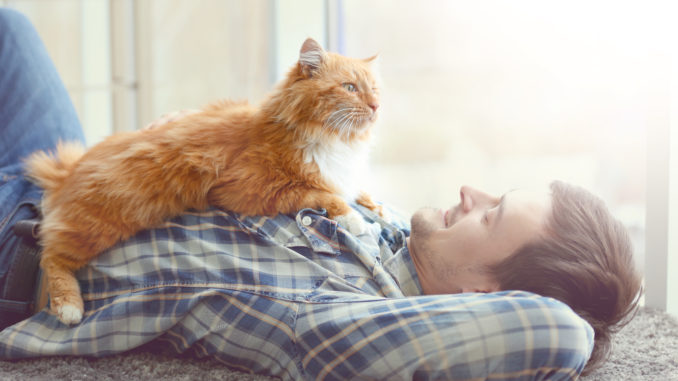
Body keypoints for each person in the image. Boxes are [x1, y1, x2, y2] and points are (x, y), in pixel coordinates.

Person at [0, 8, 641, 380]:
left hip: (19, 252)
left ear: (484, 298)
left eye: (492, 213)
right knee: (11, 29)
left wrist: (599, 308)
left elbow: (555, 331)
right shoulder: (384, 232)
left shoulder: (337, 313)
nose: (470, 190)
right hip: (70, 180)